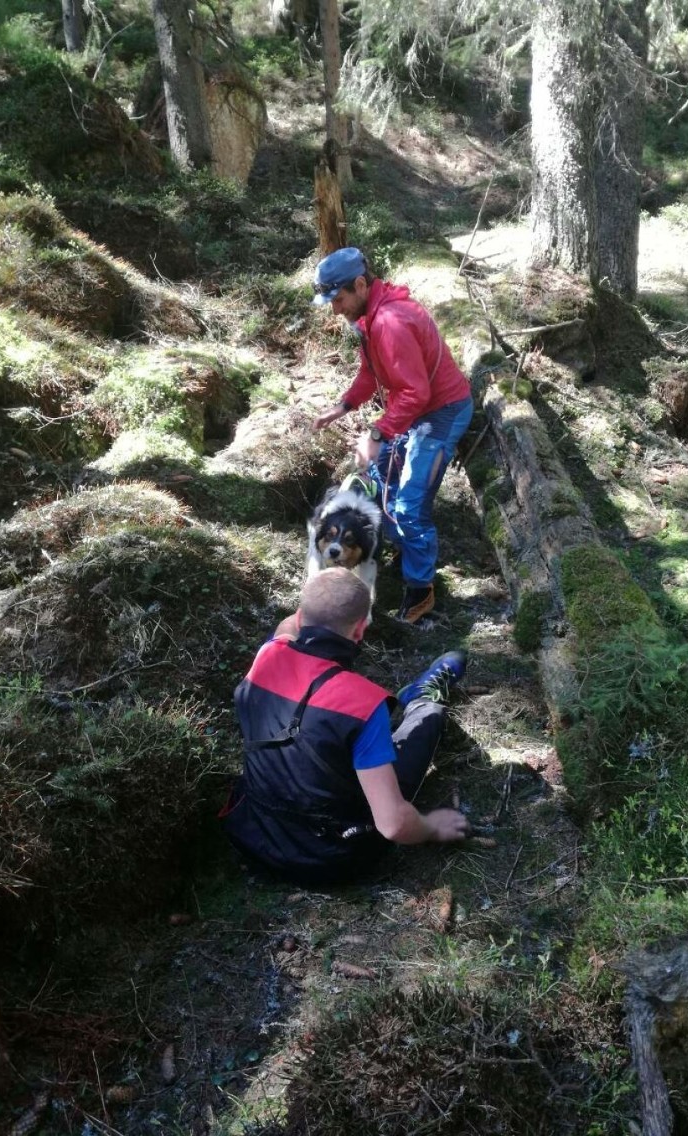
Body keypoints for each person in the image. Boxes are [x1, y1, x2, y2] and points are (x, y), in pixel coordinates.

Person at [221, 567, 471, 885]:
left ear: (299, 619)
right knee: (425, 723)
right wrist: (433, 826)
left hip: (252, 836)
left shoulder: (266, 657)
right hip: (331, 861)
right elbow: (392, 825)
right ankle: (424, 699)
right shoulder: (362, 703)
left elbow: (285, 628)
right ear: (358, 633)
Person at [311, 247, 473, 624]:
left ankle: (420, 590)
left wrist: (377, 433)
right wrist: (344, 405)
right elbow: (372, 373)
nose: (335, 309)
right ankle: (405, 549)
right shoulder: (369, 316)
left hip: (441, 412)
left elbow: (418, 393)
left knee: (410, 508)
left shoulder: (390, 322)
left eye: (338, 299)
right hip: (415, 410)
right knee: (383, 480)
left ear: (360, 284)